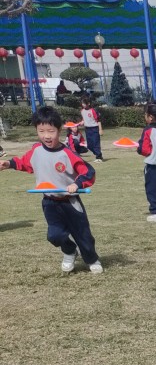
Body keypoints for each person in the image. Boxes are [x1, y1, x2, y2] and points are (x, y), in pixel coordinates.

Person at [0, 105, 102, 274]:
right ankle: (69, 251)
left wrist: (77, 185)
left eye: (51, 131)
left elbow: (88, 172)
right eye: (41, 131)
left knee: (82, 234)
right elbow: (24, 163)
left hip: (70, 202)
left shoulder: (67, 153)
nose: (46, 136)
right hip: (49, 203)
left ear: (59, 130)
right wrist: (8, 164)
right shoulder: (36, 150)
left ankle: (92, 259)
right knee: (54, 235)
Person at [80, 94, 104, 161]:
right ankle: (98, 154)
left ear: (88, 103)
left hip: (94, 129)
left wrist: (100, 130)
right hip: (87, 129)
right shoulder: (82, 111)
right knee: (89, 146)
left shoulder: (93, 110)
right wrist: (82, 122)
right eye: (82, 103)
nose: (83, 105)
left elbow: (98, 120)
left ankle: (98, 157)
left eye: (84, 103)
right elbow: (84, 119)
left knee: (96, 143)